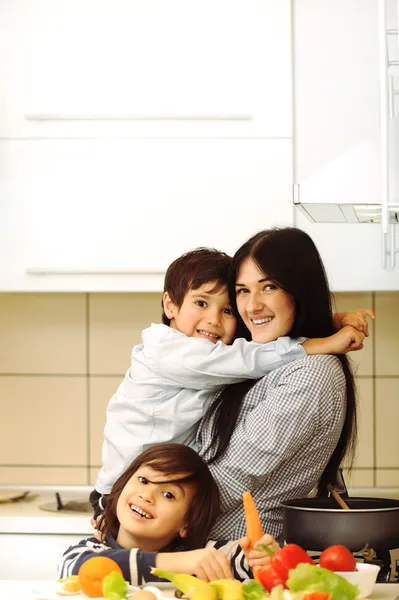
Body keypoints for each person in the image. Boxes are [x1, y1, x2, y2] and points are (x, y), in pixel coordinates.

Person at [90, 247, 365, 520]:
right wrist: (326, 342)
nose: (214, 319)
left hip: (149, 492)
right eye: (201, 303)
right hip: (123, 493)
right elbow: (249, 358)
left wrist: (332, 321)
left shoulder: (212, 353)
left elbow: (260, 331)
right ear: (170, 304)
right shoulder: (169, 352)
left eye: (228, 310)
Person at [197, 227, 375, 543]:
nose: (252, 307)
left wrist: (145, 517)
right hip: (208, 555)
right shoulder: (262, 356)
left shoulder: (311, 374)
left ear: (301, 289)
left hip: (237, 559)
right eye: (242, 290)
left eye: (269, 287)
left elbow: (228, 480)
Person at [60, 444, 278, 584]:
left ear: (186, 524)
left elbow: (258, 567)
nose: (147, 496)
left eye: (168, 495)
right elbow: (77, 568)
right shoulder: (91, 550)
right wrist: (179, 563)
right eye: (144, 481)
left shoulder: (208, 555)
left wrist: (267, 558)